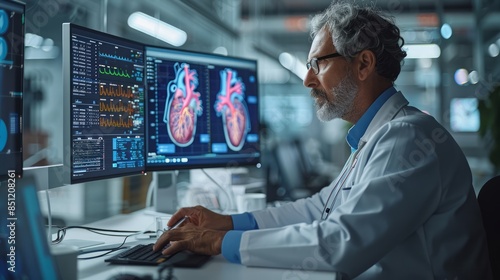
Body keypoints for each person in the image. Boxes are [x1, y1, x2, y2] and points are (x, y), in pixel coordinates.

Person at [154, 1, 492, 279]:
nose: (307, 80)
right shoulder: (376, 136)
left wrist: (220, 242)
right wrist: (228, 222)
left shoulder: (406, 138)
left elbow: (339, 242)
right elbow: (319, 209)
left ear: (363, 64)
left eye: (317, 64)